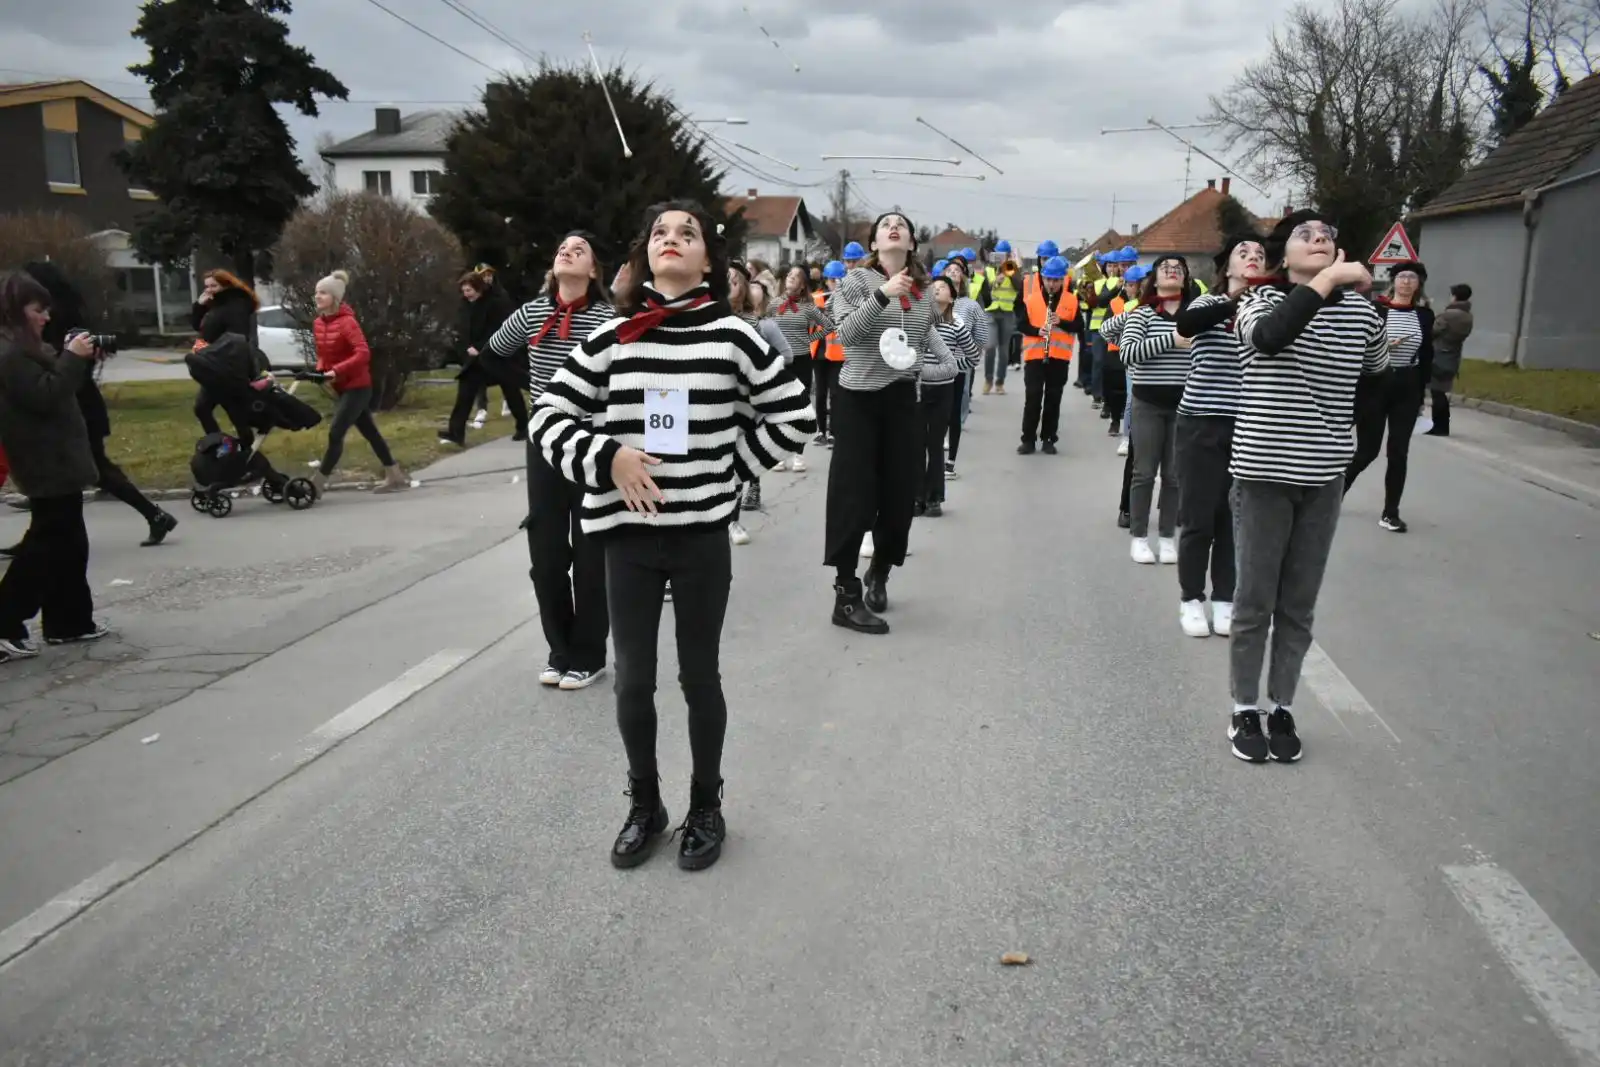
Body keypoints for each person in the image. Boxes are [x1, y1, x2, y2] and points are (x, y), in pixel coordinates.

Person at [529, 199, 814, 871]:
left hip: (698, 541)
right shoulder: (614, 336)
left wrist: (727, 473)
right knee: (632, 681)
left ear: (708, 260)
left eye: (688, 233)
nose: (673, 239)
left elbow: (792, 414)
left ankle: (707, 805)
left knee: (698, 677)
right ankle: (645, 803)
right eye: (661, 232)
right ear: (643, 254)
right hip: (624, 539)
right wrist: (608, 457)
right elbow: (548, 414)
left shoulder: (734, 336)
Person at [1228, 212, 1389, 763]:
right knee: (1254, 600)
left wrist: (1349, 452)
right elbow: (1272, 340)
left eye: (1328, 236)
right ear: (1282, 255)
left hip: (1322, 477)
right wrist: (1329, 280)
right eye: (1306, 235)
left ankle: (1281, 705)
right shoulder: (1260, 302)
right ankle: (1244, 707)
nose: (1320, 240)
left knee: (1298, 603)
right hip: (1264, 473)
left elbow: (1377, 377)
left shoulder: (1363, 314)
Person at [487, 232, 616, 690]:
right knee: (545, 555)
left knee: (589, 555)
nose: (567, 250)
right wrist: (533, 392)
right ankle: (559, 650)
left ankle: (590, 653)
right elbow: (495, 352)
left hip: (590, 442)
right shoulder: (533, 312)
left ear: (594, 270)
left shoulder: (607, 317)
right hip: (544, 441)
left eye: (580, 249)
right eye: (562, 246)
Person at [826, 211, 955, 635]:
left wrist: (914, 367)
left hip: (902, 401)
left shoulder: (922, 297)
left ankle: (879, 572)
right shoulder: (855, 283)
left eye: (901, 224)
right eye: (885, 225)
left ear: (912, 243)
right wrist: (881, 294)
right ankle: (845, 595)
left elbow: (946, 361)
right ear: (875, 243)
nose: (893, 227)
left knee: (901, 497)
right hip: (857, 400)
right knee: (854, 496)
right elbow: (844, 335)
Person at [26, 261, 179, 548]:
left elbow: (69, 366)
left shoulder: (54, 319)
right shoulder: (67, 315)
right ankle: (38, 536)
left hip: (77, 407)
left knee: (95, 470)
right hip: (80, 404)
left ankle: (155, 514)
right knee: (80, 470)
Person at [0, 272, 112, 661]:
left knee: (68, 542)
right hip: (43, 459)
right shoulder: (9, 353)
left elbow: (58, 383)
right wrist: (71, 359)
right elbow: (45, 395)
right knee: (47, 545)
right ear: (15, 312)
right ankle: (5, 620)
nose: (45, 317)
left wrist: (75, 360)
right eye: (37, 309)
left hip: (57, 458)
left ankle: (70, 620)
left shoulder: (27, 347)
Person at [1171, 234, 1265, 638]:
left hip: (1249, 424)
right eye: (1243, 253)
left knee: (1233, 517)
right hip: (1201, 421)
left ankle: (1225, 597)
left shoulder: (1271, 310)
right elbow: (1186, 324)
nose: (1253, 258)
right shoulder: (1211, 303)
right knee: (1199, 518)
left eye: (1260, 255)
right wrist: (1236, 301)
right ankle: (1192, 598)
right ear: (1226, 266)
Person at [1119, 255, 1198, 565]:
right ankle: (1139, 537)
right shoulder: (1143, 314)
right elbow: (1128, 353)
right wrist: (1172, 340)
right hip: (1148, 403)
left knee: (1175, 475)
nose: (1172, 271)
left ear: (1186, 279)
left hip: (1184, 405)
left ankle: (1167, 538)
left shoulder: (1194, 315)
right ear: (1155, 278)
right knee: (1144, 472)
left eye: (1178, 269)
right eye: (1166, 268)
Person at [1344, 260, 1432, 532]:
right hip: (1377, 382)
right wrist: (1383, 346)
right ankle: (1332, 495)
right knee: (1367, 451)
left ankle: (1390, 512)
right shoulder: (1376, 309)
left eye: (1412, 278)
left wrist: (1422, 396)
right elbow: (1357, 346)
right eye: (1402, 277)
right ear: (1394, 281)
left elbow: (1427, 355)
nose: (1407, 282)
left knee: (1399, 452)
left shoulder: (1425, 315)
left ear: (1418, 285)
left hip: (1407, 384)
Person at [308, 271, 409, 495]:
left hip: (358, 386)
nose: (317, 296)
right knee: (370, 431)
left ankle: (318, 482)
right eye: (316, 292)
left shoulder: (347, 323)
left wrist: (337, 370)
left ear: (335, 297)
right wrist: (320, 371)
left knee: (336, 432)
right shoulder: (318, 323)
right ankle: (394, 475)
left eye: (323, 293)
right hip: (341, 386)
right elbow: (324, 354)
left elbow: (363, 353)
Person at [727, 265, 792, 531]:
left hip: (744, 403)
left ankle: (733, 521)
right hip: (709, 401)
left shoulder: (755, 323)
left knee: (736, 459)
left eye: (734, 279)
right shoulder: (702, 317)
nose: (728, 282)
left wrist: (760, 369)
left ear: (744, 286)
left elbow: (784, 356)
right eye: (723, 278)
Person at [442, 266, 520, 446]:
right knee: (465, 393)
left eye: (469, 290)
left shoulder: (495, 301)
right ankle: (456, 432)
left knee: (511, 388)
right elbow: (461, 329)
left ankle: (523, 424)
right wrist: (465, 347)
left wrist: (480, 347)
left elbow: (496, 328)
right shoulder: (465, 306)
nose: (466, 294)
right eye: (464, 291)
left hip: (492, 355)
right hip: (474, 360)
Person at [924, 276, 980, 515]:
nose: (937, 289)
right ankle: (916, 496)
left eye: (944, 286)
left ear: (952, 297)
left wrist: (953, 366)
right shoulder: (919, 320)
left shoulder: (956, 323)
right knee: (915, 444)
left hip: (943, 388)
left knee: (935, 444)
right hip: (917, 386)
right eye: (934, 286)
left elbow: (973, 356)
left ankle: (934, 497)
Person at [1015, 255, 1081, 456]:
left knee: (1054, 398)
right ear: (1043, 279)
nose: (1052, 284)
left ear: (1062, 280)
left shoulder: (1071, 300)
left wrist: (1060, 321)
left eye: (1056, 280)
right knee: (1033, 397)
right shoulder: (1031, 299)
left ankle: (1048, 438)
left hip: (1059, 358)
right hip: (1035, 356)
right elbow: (1021, 325)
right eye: (1049, 279)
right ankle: (1028, 439)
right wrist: (1037, 331)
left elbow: (1079, 326)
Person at [771, 265, 833, 473]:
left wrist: (808, 339)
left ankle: (798, 454)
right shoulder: (774, 304)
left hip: (802, 362)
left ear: (803, 284)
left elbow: (828, 326)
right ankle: (779, 455)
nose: (790, 278)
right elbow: (763, 326)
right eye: (789, 274)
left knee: (798, 410)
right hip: (779, 362)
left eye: (796, 276)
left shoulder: (808, 307)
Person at [191, 269, 260, 437]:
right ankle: (225, 445)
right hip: (213, 362)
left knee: (225, 409)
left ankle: (240, 447)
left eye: (213, 286)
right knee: (206, 408)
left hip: (227, 364)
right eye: (206, 286)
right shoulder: (215, 304)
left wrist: (210, 348)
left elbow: (236, 336)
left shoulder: (236, 305)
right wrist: (199, 306)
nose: (209, 290)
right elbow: (198, 326)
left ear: (226, 285)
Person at [1427, 283, 1473, 437]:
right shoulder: (1467, 316)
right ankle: (1443, 426)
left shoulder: (1448, 315)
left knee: (1437, 393)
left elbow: (1433, 331)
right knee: (1442, 391)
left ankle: (1438, 427)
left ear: (1454, 296)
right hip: (1453, 355)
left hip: (1438, 355)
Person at [811, 260, 847, 446]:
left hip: (837, 354)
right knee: (820, 394)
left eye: (837, 279)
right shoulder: (816, 298)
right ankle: (820, 430)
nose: (834, 283)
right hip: (818, 352)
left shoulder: (844, 299)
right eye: (831, 280)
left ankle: (834, 431)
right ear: (825, 281)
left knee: (835, 394)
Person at [980, 240, 1021, 395]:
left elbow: (1019, 286)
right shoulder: (989, 270)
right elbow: (984, 291)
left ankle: (999, 382)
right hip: (991, 312)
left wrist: (1008, 271)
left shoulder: (1013, 269)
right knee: (990, 346)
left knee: (1004, 351)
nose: (1001, 257)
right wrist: (994, 283)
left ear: (1009, 255)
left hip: (1007, 313)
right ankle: (988, 379)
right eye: (998, 254)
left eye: (1004, 255)